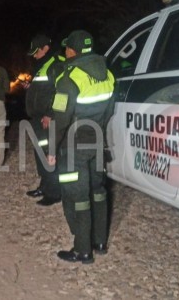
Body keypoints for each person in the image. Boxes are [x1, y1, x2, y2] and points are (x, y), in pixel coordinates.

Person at [48, 30, 115, 264]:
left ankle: (82, 250)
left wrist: (51, 150)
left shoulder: (69, 78)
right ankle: (99, 242)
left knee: (76, 196)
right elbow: (109, 112)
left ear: (71, 51)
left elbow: (60, 119)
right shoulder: (107, 74)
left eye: (67, 48)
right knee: (98, 192)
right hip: (97, 141)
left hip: (73, 146)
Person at [24, 34, 65, 206]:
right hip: (37, 118)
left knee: (50, 153)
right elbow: (44, 89)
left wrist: (50, 113)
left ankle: (54, 192)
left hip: (48, 119)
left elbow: (62, 92)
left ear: (45, 48)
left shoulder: (56, 64)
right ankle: (44, 186)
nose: (34, 55)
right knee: (41, 152)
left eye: (36, 52)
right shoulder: (42, 65)